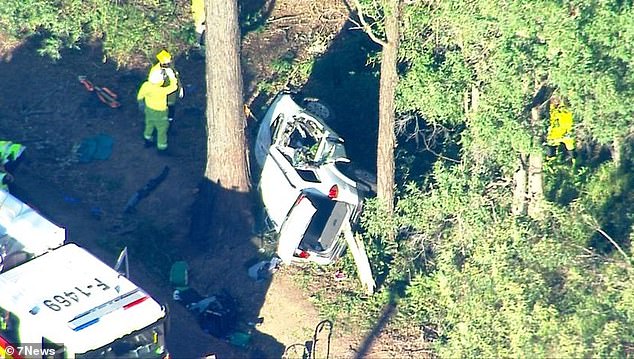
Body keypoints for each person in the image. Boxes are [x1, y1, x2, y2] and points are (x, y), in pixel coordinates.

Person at [137, 69, 178, 154]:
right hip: (160, 113)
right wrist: (172, 76)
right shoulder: (162, 90)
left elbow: (140, 96)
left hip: (148, 110)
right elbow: (174, 87)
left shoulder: (146, 85)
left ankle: (147, 140)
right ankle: (162, 148)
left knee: (149, 124)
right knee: (162, 129)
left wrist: (141, 104)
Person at [148, 50, 182, 122]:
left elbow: (175, 76)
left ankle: (170, 119)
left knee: (170, 106)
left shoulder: (168, 68)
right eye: (168, 61)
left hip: (169, 94)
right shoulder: (156, 72)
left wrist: (179, 86)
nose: (169, 62)